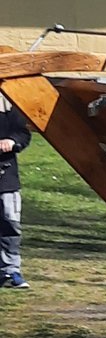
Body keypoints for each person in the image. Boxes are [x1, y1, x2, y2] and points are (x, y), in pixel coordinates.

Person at [0, 96, 31, 290]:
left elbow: (23, 134)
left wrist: (11, 141)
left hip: (6, 177)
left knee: (10, 224)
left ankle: (10, 271)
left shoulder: (7, 102)